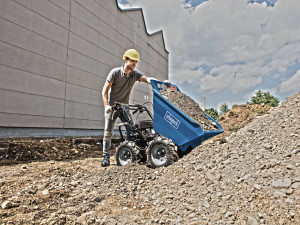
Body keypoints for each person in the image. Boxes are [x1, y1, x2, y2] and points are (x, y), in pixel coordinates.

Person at [101, 49, 155, 167]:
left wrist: (153, 81)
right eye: (132, 61)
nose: (134, 64)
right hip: (112, 107)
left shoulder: (134, 75)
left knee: (132, 131)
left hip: (125, 106)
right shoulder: (115, 73)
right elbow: (105, 90)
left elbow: (145, 79)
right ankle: (105, 158)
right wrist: (106, 106)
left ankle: (129, 152)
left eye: (136, 62)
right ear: (126, 60)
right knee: (107, 133)